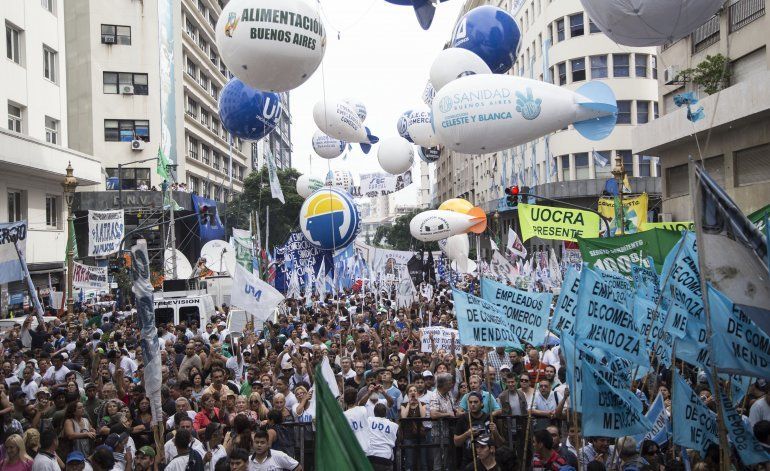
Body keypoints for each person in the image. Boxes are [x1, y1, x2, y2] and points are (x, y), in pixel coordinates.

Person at [454, 392, 503, 468]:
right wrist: (467, 434)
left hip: (488, 462)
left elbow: (500, 444)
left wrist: (495, 432)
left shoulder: (490, 418)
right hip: (468, 460)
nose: (473, 404)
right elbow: (456, 443)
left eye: (475, 402)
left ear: (482, 403)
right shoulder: (463, 419)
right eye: (470, 402)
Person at [365, 403, 399, 471]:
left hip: (370, 457)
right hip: (385, 457)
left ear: (374, 413)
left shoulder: (368, 420)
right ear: (386, 413)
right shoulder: (394, 426)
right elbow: (398, 441)